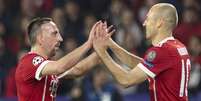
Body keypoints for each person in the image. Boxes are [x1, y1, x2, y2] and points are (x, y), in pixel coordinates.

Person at [93, 3, 191, 101]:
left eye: (148, 19)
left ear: (159, 23)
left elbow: (126, 80)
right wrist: (110, 43)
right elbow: (141, 65)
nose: (144, 23)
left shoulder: (162, 51)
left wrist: (102, 52)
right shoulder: (178, 47)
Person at [15, 17, 103, 101]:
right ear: (40, 38)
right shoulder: (29, 62)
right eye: (54, 33)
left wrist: (102, 49)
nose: (60, 39)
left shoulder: (47, 67)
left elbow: (77, 70)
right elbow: (59, 67)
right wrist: (88, 44)